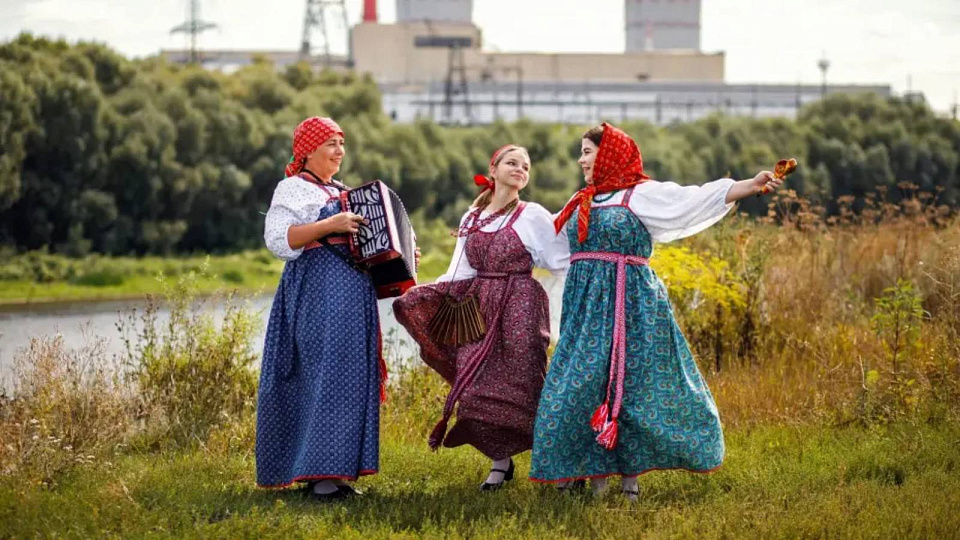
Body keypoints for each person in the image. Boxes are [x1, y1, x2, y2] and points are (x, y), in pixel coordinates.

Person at [529, 123, 783, 501]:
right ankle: (591, 475)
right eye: (581, 152)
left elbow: (693, 200)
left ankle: (629, 484)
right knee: (577, 386)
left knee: (634, 387)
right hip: (584, 311)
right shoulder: (581, 200)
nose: (581, 160)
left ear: (610, 153)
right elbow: (542, 243)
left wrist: (751, 184)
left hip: (632, 306)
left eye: (587, 151)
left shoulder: (641, 194)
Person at [393, 145, 569, 491]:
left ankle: (561, 464)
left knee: (525, 383)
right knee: (476, 389)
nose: (520, 169)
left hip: (520, 304)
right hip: (477, 310)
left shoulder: (533, 215)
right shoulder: (471, 217)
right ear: (494, 168)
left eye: (526, 166)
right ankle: (500, 464)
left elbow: (558, 259)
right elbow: (459, 269)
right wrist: (422, 293)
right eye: (512, 163)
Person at [256, 116, 385, 500]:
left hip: (351, 293)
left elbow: (364, 244)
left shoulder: (345, 192)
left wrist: (398, 251)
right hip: (315, 292)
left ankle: (338, 472)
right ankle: (318, 475)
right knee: (323, 374)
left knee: (350, 375)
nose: (339, 151)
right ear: (308, 150)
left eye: (342, 144)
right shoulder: (291, 189)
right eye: (331, 143)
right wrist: (330, 224)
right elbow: (280, 240)